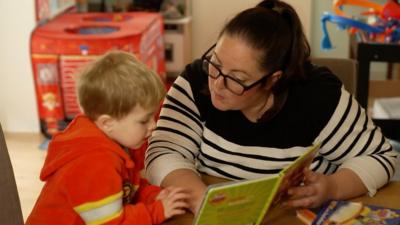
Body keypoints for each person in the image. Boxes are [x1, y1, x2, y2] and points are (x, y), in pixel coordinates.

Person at [145, 0, 399, 214]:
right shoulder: (196, 79)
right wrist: (202, 199)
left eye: (238, 79)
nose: (217, 84)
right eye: (216, 62)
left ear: (273, 79)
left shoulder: (317, 96)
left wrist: (332, 187)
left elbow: (381, 158)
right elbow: (163, 151)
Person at [26, 51, 189, 225]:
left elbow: (126, 189)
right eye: (143, 120)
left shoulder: (117, 140)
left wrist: (154, 196)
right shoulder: (94, 162)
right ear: (108, 123)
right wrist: (157, 211)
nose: (153, 125)